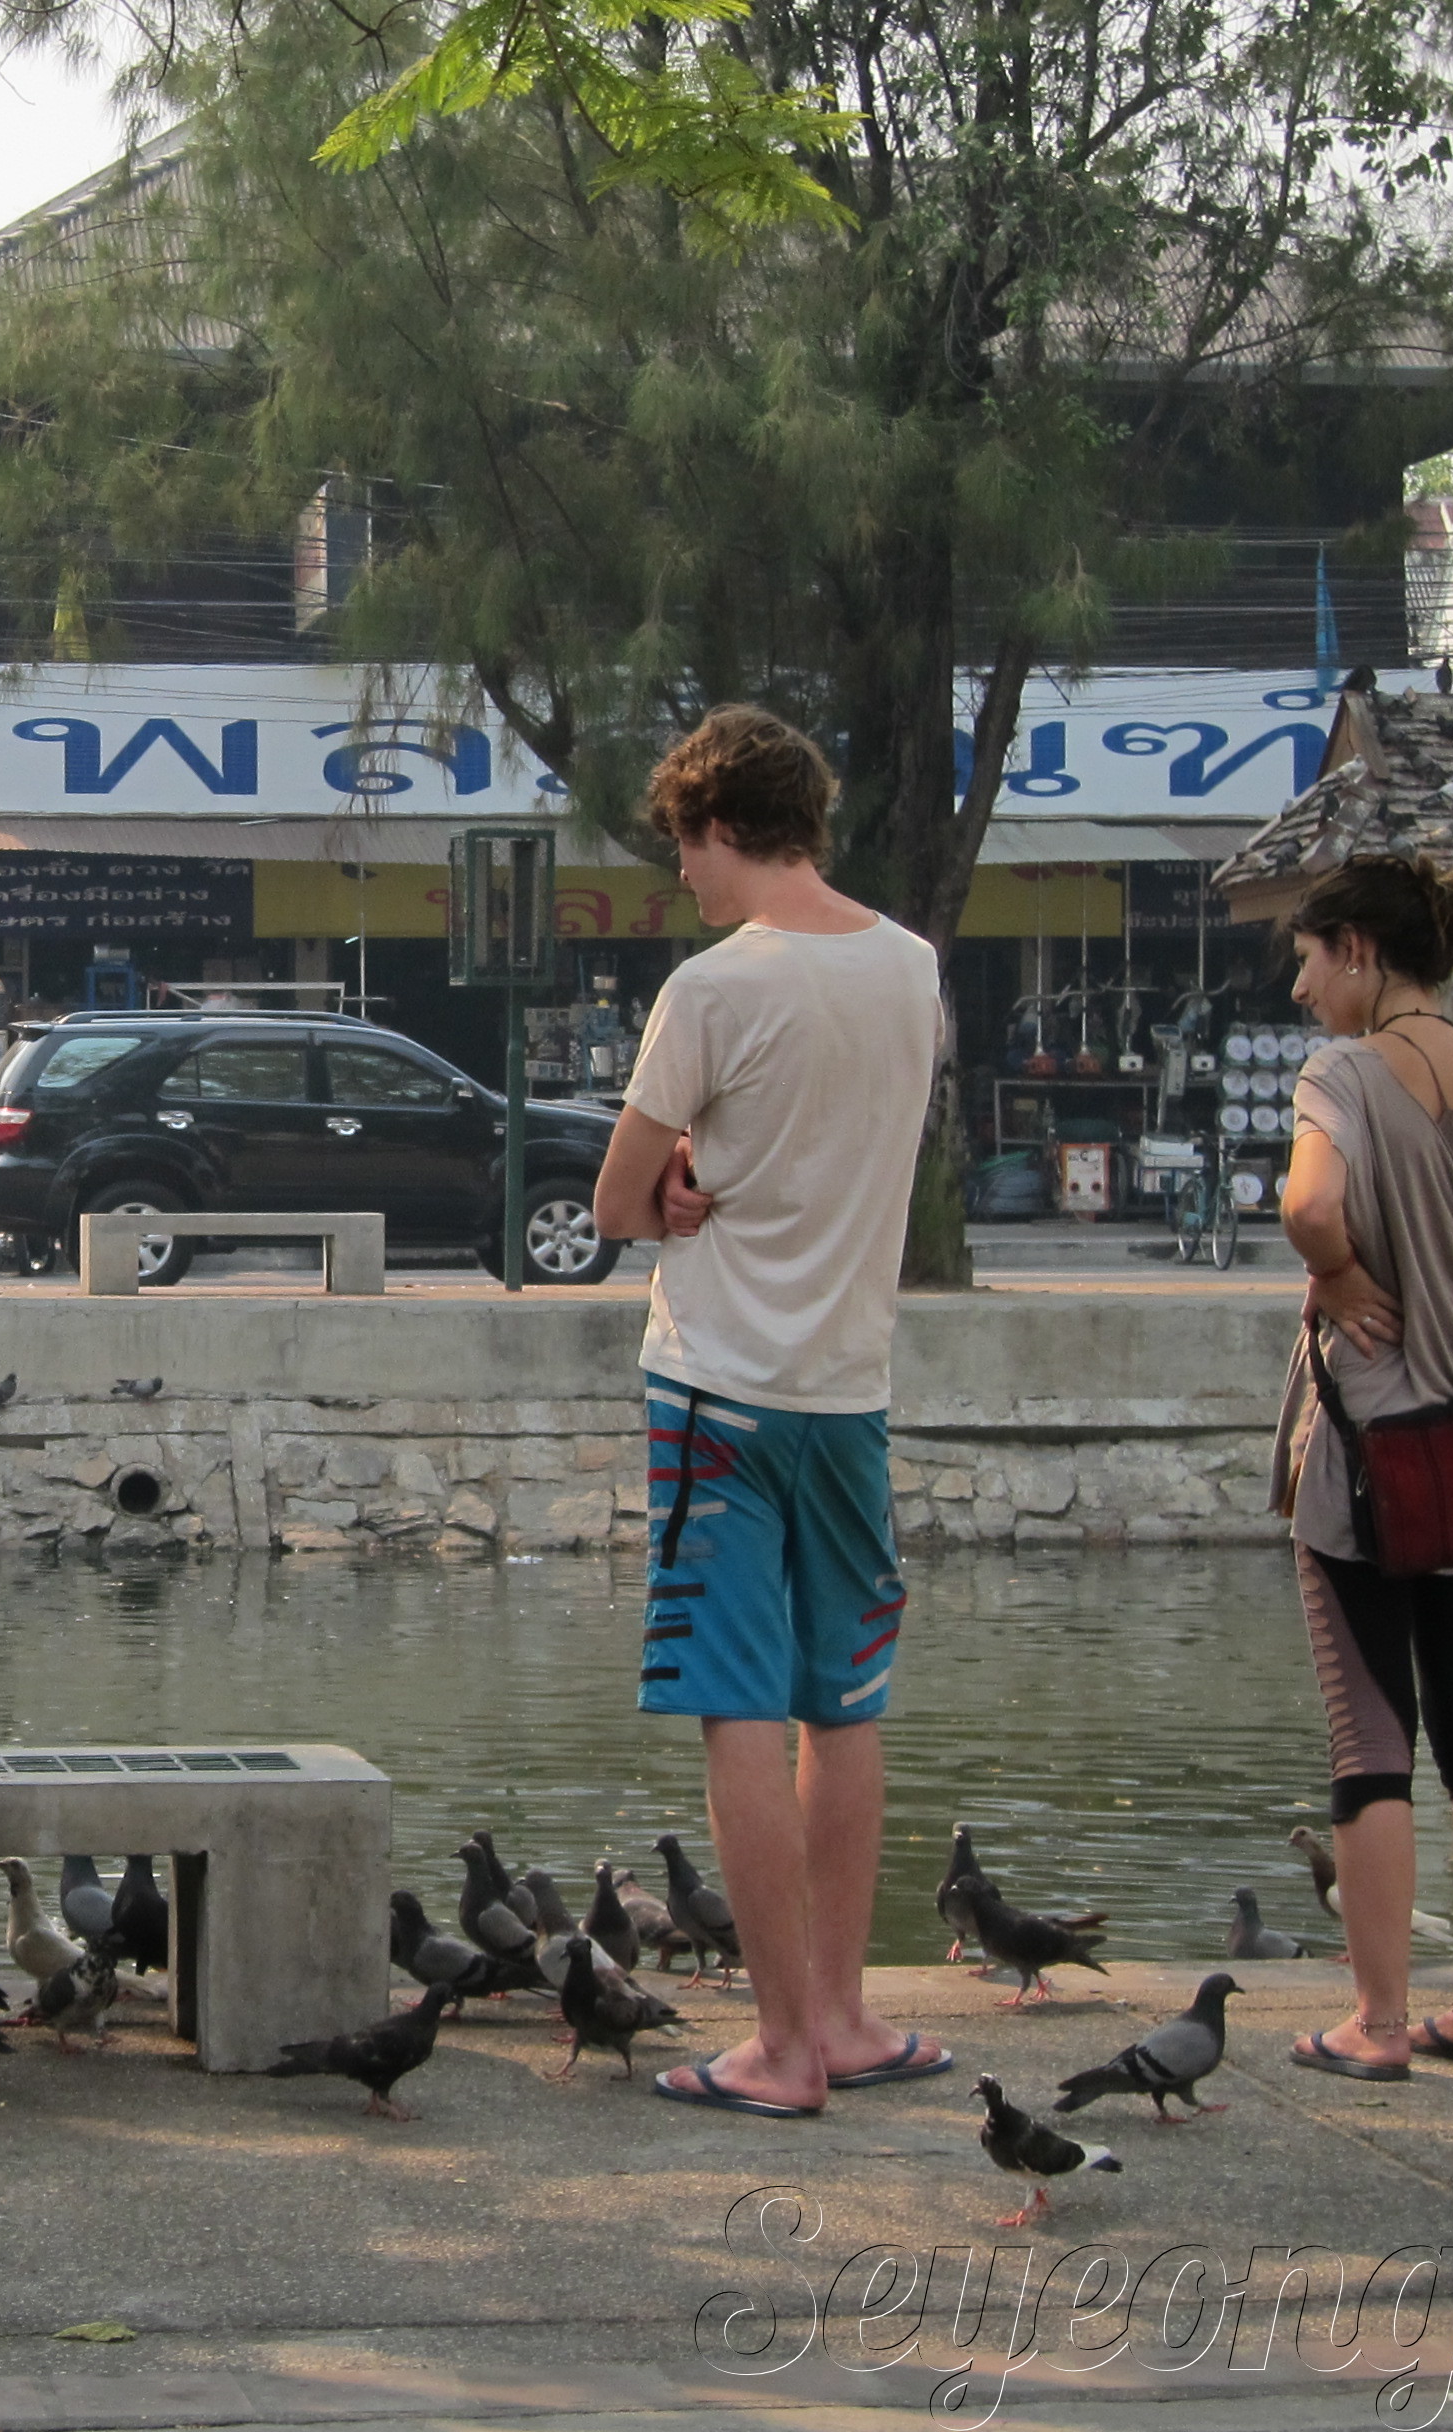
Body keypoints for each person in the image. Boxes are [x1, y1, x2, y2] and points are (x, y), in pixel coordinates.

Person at [590, 705, 948, 2120]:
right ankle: (846, 2017)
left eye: (684, 842)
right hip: (851, 1390)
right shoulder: (912, 967)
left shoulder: (713, 988)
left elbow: (617, 1204)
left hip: (719, 1392)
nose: (682, 871)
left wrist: (679, 1171)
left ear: (723, 823)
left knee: (733, 1697)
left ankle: (781, 2047)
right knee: (841, 1701)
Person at [1272, 855, 1453, 2082]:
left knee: (1370, 1732)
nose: (1302, 988)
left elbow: (1308, 1207)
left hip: (1368, 1452)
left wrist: (1335, 1274)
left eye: (1310, 959)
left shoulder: (1341, 1074)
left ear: (1362, 952)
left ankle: (1376, 2022)